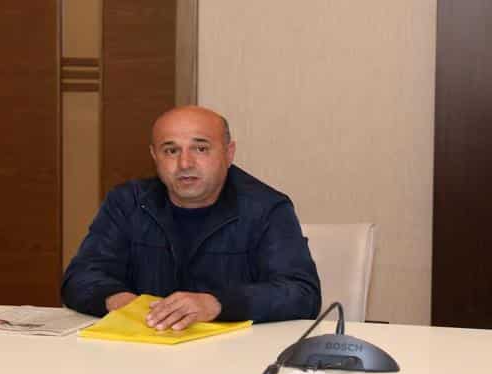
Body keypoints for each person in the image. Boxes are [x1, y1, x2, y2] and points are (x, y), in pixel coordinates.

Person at [61, 106, 321, 331]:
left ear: (229, 153)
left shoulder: (266, 208)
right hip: (143, 349)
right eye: (171, 150)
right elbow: (79, 278)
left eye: (200, 148)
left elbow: (301, 294)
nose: (185, 163)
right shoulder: (127, 203)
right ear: (154, 156)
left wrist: (217, 304)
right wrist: (121, 302)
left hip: (233, 357)